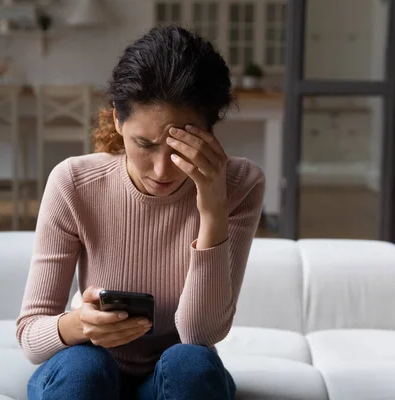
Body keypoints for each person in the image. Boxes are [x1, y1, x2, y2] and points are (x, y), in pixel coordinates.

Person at [16, 25, 265, 400]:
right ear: (117, 119)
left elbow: (200, 335)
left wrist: (212, 208)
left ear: (210, 130)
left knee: (190, 366)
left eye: (180, 145)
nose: (162, 170)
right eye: (144, 144)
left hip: (177, 378)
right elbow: (31, 338)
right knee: (82, 370)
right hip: (90, 368)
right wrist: (79, 325)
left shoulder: (241, 184)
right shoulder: (73, 182)